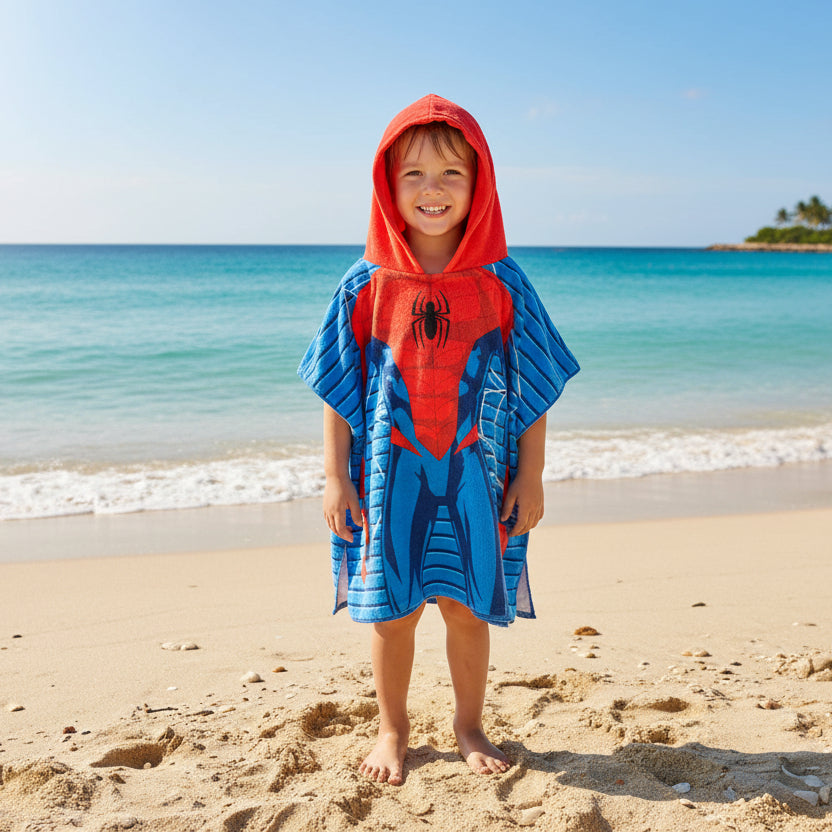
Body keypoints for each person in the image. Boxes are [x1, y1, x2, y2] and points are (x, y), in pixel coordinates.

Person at [298, 94, 579, 785]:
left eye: (452, 174)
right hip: (387, 472)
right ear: (387, 186)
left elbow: (533, 385)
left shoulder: (503, 282)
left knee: (463, 607)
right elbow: (341, 387)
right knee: (391, 615)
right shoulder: (363, 284)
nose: (432, 191)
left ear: (479, 185)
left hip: (478, 475)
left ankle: (468, 724)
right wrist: (335, 477)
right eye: (413, 175)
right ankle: (392, 729)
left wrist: (532, 475)